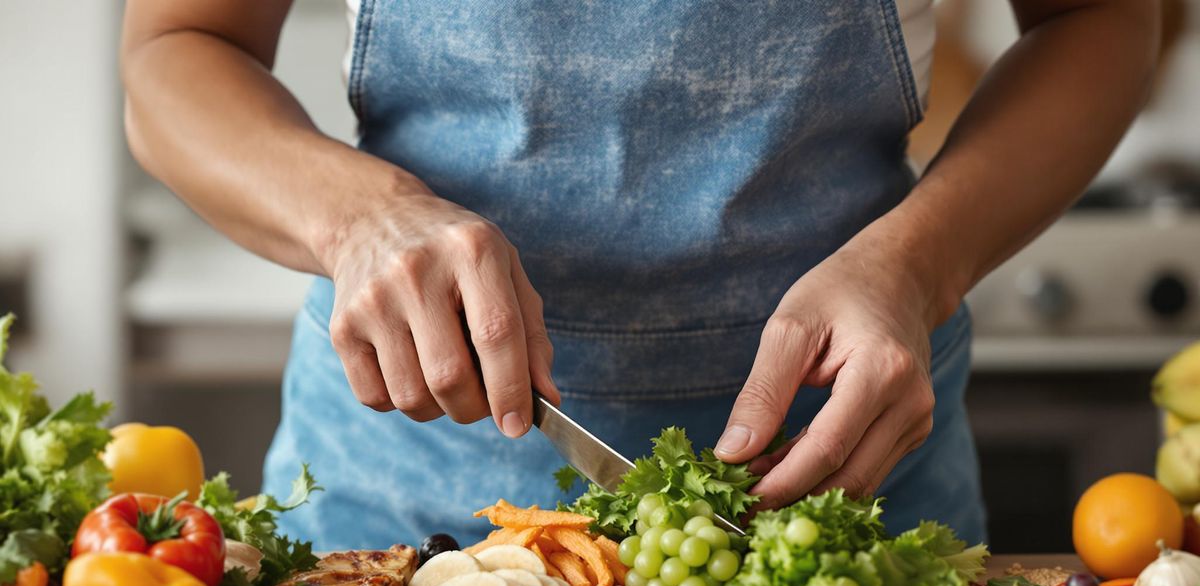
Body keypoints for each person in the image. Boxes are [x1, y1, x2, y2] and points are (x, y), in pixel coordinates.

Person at [121, 1, 1158, 549]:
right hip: (407, 487)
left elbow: (1100, 20)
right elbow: (175, 50)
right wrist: (358, 221)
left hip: (845, 470)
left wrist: (915, 261)